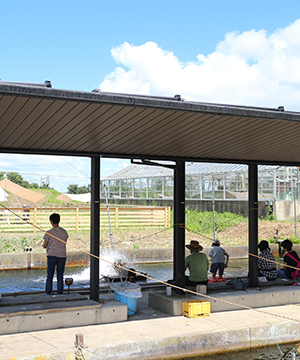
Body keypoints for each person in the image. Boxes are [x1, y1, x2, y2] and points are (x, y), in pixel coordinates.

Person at [43, 213, 68, 295]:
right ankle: (60, 292)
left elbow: (45, 245)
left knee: (50, 275)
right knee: (60, 276)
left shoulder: (49, 232)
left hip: (52, 256)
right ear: (59, 220)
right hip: (62, 255)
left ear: (51, 221)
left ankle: (48, 292)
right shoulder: (64, 232)